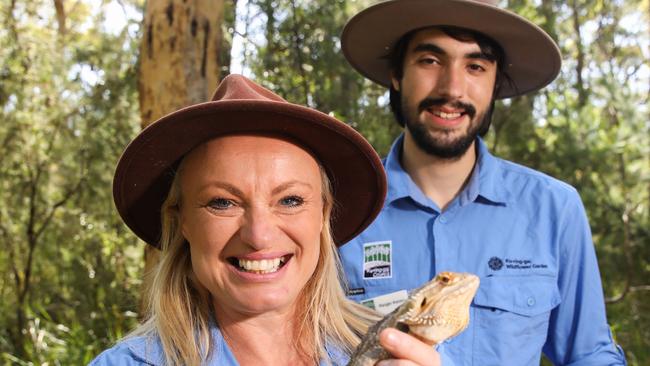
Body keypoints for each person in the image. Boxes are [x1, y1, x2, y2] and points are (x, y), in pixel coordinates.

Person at [337, 0, 627, 365]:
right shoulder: (338, 212)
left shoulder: (554, 209)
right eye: (430, 60)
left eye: (475, 66)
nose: (452, 88)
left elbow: (590, 355)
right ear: (397, 75)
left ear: (495, 84)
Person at [90, 74, 443, 365]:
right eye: (222, 202)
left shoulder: (402, 352)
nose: (258, 235)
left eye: (289, 200)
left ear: (323, 214)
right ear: (181, 220)